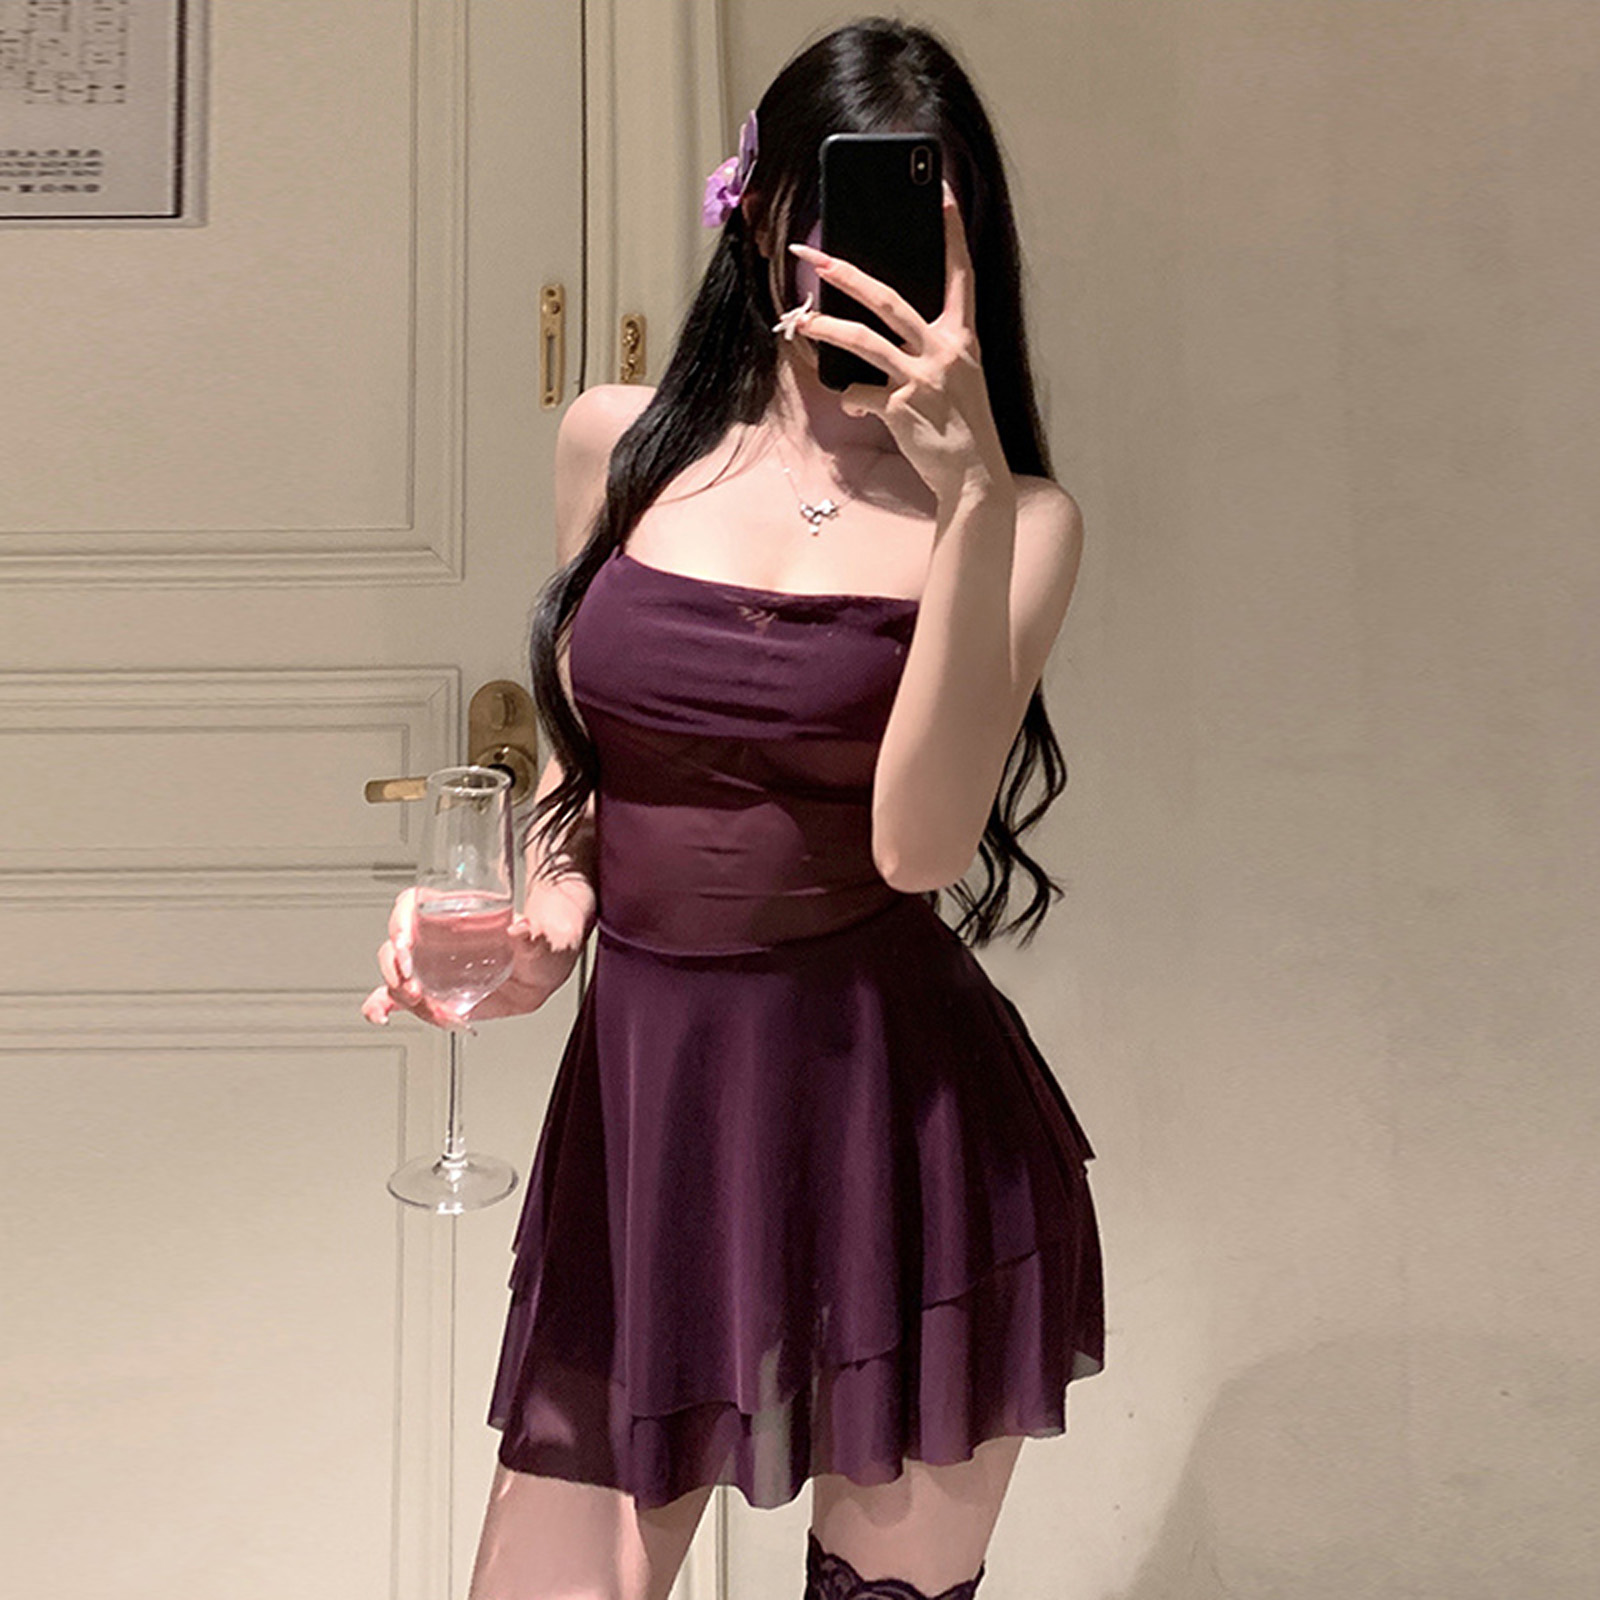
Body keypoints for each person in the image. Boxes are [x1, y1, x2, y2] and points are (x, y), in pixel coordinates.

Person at [364, 18, 1104, 1600]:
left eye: (930, 237)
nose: (880, 278)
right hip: (652, 1119)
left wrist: (971, 498)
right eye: (842, 226)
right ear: (758, 213)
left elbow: (919, 848)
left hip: (898, 1133)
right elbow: (587, 772)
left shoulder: (1023, 521)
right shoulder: (617, 445)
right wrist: (543, 919)